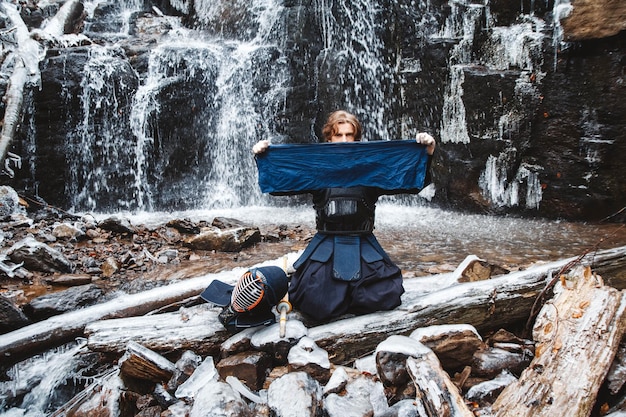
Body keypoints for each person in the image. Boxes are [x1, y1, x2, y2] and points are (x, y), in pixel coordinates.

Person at [253, 110, 436, 321]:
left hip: (364, 242)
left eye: (349, 135)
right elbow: (278, 185)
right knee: (314, 303)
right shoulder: (317, 169)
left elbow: (412, 183)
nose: (344, 140)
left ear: (357, 139)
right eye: (338, 135)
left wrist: (427, 153)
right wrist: (263, 157)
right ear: (329, 138)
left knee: (387, 296)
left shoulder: (372, 170)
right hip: (327, 243)